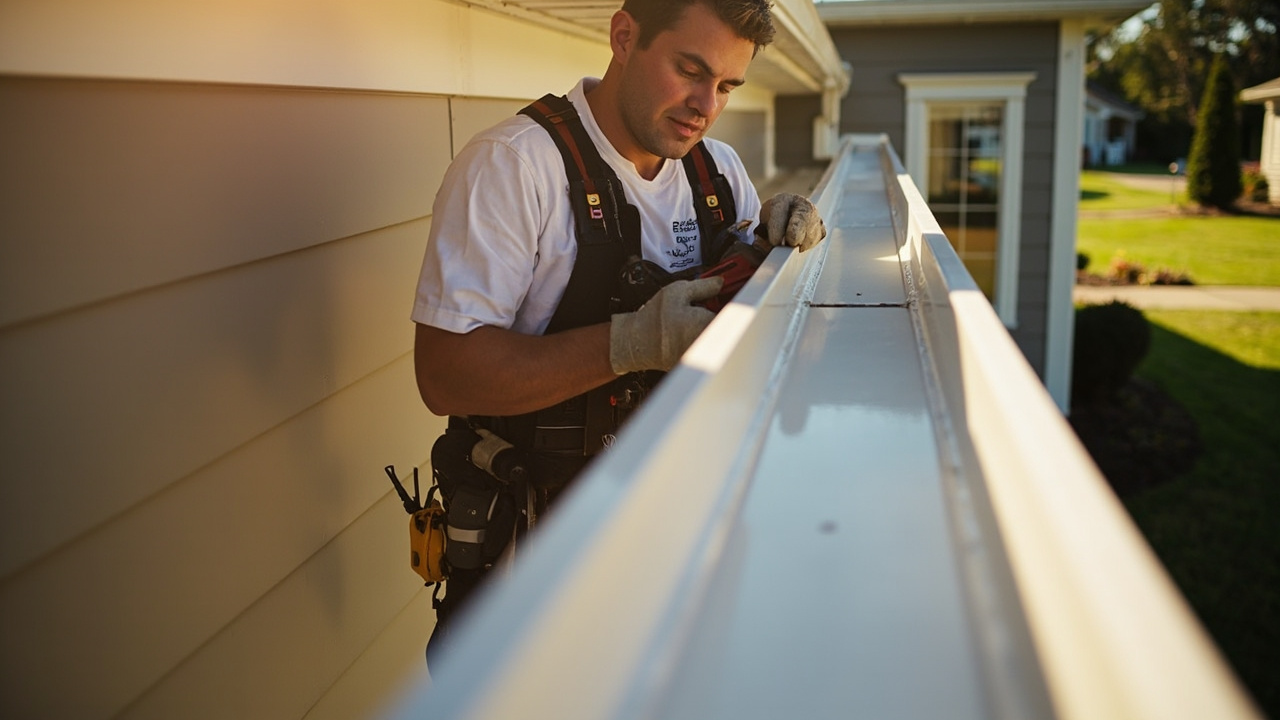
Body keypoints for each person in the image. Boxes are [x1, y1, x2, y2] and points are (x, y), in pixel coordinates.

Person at [410, 0, 826, 659]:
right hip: (544, 582)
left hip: (679, 557)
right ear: (624, 36)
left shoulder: (717, 174)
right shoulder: (515, 169)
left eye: (726, 86)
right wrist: (627, 344)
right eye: (690, 70)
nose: (705, 105)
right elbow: (443, 374)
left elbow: (755, 321)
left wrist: (778, 248)